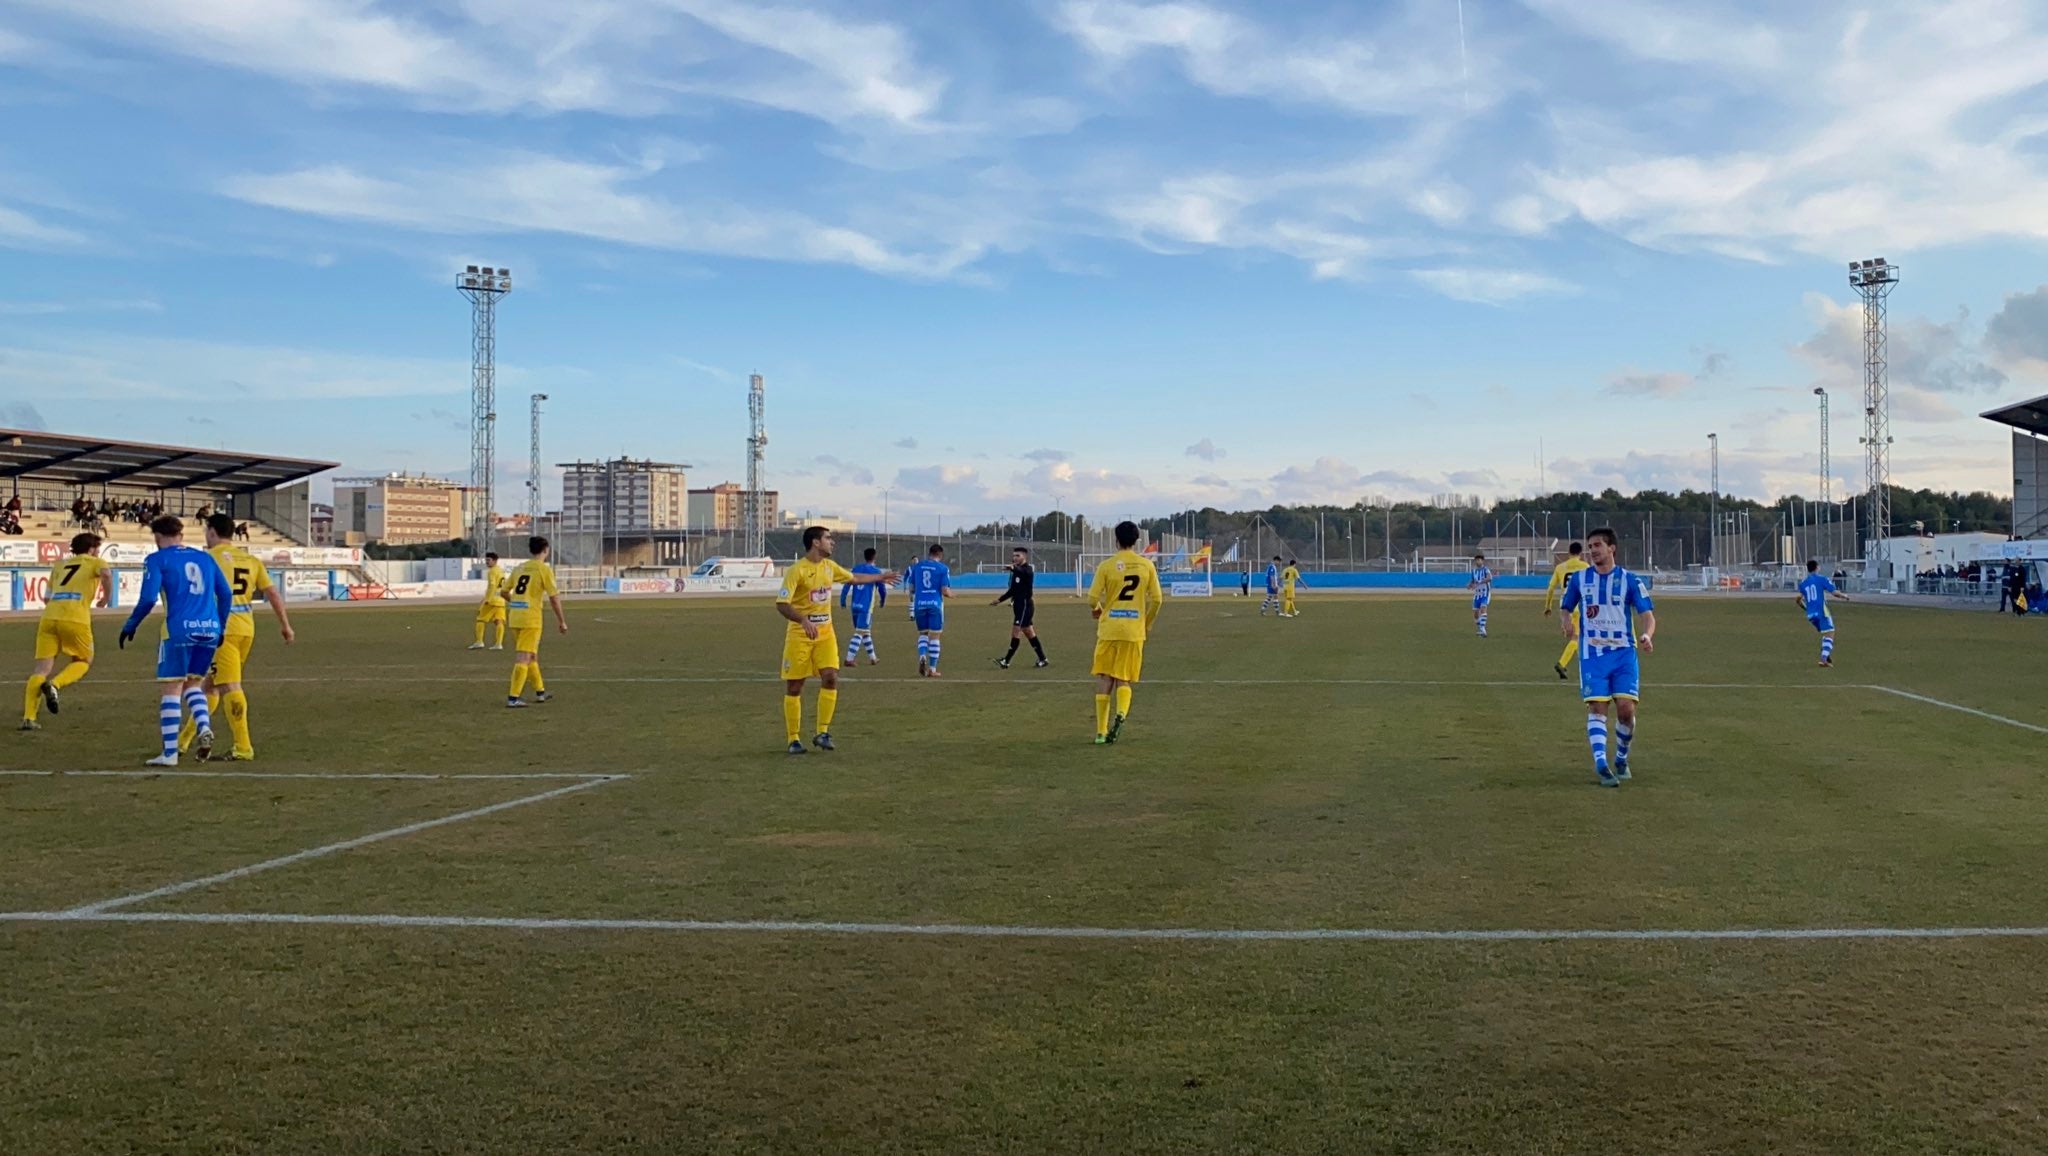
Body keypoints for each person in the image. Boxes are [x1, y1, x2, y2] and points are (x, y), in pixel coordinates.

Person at [170, 513, 294, 760]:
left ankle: (243, 747)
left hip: (220, 630)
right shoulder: (250, 560)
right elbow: (272, 593)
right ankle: (183, 741)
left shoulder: (205, 560)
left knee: (229, 685)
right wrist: (285, 626)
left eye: (207, 531)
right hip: (246, 628)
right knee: (211, 686)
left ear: (213, 532)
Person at [119, 515, 232, 766]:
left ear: (157, 537)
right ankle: (203, 726)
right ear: (181, 534)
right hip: (210, 630)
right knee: (194, 684)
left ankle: (170, 753)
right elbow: (225, 595)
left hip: (179, 630)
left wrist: (131, 625)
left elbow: (148, 599)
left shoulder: (157, 559)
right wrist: (220, 627)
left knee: (172, 688)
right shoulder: (206, 558)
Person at [777, 526, 895, 754]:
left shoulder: (830, 567)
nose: (832, 542)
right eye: (828, 538)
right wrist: (803, 620)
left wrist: (880, 576)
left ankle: (822, 732)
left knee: (831, 677)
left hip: (825, 634)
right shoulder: (796, 571)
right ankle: (793, 739)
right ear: (815, 543)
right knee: (794, 686)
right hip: (800, 635)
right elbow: (782, 603)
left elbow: (854, 578)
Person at [1557, 527, 1656, 788]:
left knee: (1626, 709)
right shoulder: (1580, 579)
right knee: (1597, 707)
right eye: (1590, 546)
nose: (1593, 550)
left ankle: (1621, 758)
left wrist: (1647, 635)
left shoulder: (1631, 580)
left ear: (1612, 548)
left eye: (1598, 545)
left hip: (1624, 653)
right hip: (1593, 655)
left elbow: (1647, 615)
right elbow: (1565, 606)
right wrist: (1566, 622)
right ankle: (1601, 764)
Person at [21, 533, 113, 731]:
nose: (98, 552)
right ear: (91, 549)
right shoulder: (95, 562)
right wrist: (106, 597)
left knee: (41, 669)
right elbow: (106, 574)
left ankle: (29, 717)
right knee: (83, 661)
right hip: (75, 618)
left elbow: (46, 598)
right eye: (97, 548)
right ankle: (54, 685)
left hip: (49, 617)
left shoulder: (59, 565)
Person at [1088, 520, 1163, 745]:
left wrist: (1099, 610)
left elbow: (1092, 599)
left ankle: (1101, 732)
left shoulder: (1106, 566)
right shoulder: (1146, 566)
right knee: (1124, 678)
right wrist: (1146, 623)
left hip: (1109, 628)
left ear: (1116, 540)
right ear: (1137, 540)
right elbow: (1158, 600)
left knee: (1105, 677)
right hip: (1133, 631)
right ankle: (1120, 715)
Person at [500, 536, 567, 708]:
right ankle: (513, 698)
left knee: (532, 656)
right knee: (523, 657)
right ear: (545, 550)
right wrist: (561, 621)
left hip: (515, 617)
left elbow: (504, 592)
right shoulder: (543, 570)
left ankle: (540, 692)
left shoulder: (519, 568)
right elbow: (554, 598)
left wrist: (515, 603)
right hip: (531, 619)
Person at [902, 543, 953, 677]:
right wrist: (953, 595)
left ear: (929, 553)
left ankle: (922, 655)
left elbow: (912, 589)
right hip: (935, 605)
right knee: (935, 636)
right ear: (940, 555)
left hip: (919, 605)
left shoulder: (917, 567)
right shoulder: (943, 568)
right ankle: (932, 669)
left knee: (923, 634)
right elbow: (945, 591)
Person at [1542, 541, 1590, 679]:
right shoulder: (1585, 566)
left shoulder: (1560, 567)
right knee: (1577, 637)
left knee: (1575, 638)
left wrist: (1548, 607)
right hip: (1579, 604)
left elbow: (1550, 588)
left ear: (1569, 553)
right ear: (1581, 553)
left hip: (1565, 605)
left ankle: (1575, 666)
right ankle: (1562, 664)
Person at [994, 546, 1048, 668]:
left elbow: (1023, 572)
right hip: (1018, 606)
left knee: (1016, 632)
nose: (1015, 558)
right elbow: (1012, 590)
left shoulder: (1028, 570)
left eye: (1017, 555)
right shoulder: (1016, 572)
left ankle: (1006, 661)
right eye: (1014, 556)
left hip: (1025, 606)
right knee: (1029, 633)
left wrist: (1013, 568)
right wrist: (999, 600)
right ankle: (1043, 659)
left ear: (1024, 556)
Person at [1794, 559, 1848, 667]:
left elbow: (1798, 599)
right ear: (1817, 567)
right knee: (1830, 633)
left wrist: (1805, 608)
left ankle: (1826, 654)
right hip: (1822, 612)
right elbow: (1834, 592)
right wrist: (1844, 596)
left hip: (1811, 615)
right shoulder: (1822, 579)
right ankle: (1823, 659)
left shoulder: (1804, 583)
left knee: (1825, 633)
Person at [839, 547, 887, 666]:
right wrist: (883, 600)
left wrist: (843, 600)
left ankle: (873, 658)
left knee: (865, 632)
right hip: (866, 608)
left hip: (854, 605)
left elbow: (847, 585)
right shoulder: (876, 571)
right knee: (860, 633)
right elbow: (882, 589)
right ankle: (849, 659)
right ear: (874, 557)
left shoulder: (856, 569)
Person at [470, 551, 508, 650]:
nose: (487, 562)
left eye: (489, 560)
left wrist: (487, 600)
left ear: (495, 561)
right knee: (499, 621)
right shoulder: (501, 571)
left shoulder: (492, 571)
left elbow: (492, 586)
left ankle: (479, 641)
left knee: (480, 619)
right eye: (486, 560)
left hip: (492, 600)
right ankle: (499, 644)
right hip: (501, 600)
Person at [1467, 552, 1494, 637]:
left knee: (1483, 609)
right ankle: (1481, 629)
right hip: (1477, 595)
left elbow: (1490, 578)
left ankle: (1483, 630)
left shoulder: (1486, 569)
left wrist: (1481, 581)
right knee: (1475, 615)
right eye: (1477, 560)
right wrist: (1469, 585)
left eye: (1480, 560)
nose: (1478, 561)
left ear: (1482, 561)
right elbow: (1473, 581)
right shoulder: (1474, 571)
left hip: (1485, 593)